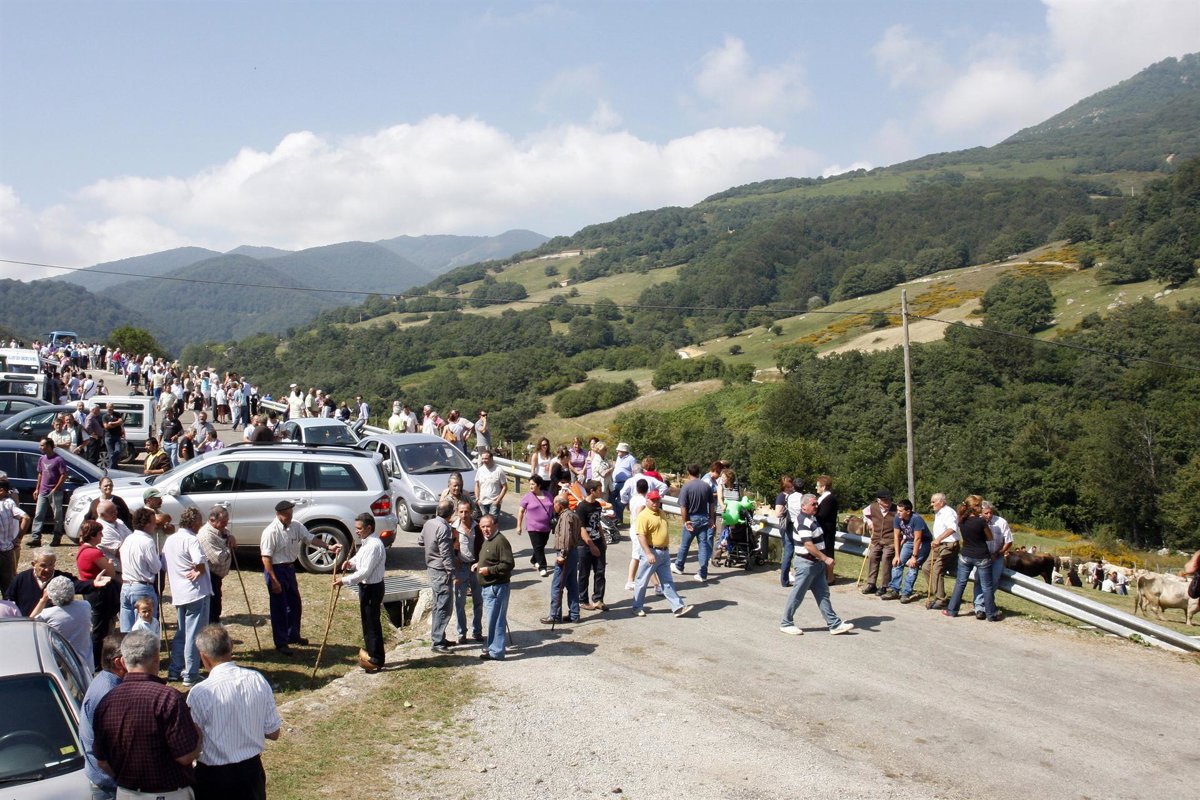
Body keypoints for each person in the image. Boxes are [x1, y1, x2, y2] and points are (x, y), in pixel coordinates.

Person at [93, 630, 201, 799]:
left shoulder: (106, 702)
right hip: (169, 794)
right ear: (156, 658)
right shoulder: (168, 698)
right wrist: (198, 736)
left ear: (123, 661)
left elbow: (101, 761)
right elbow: (185, 756)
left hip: (126, 793)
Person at [187, 625, 282, 800]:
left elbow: (193, 741)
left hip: (213, 777)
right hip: (251, 773)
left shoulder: (200, 693)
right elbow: (273, 732)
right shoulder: (256, 679)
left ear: (204, 657)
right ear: (231, 646)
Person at [260, 500, 337, 655]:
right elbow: (266, 558)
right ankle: (281, 642)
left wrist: (328, 547)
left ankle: (293, 635)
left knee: (294, 603)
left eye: (291, 513)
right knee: (279, 607)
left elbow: (310, 538)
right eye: (286, 515)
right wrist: (274, 581)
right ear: (278, 514)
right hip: (276, 569)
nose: (290, 517)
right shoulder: (271, 532)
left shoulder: (296, 526)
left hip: (289, 569)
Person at [779, 493, 855, 636]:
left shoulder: (811, 518)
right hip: (806, 564)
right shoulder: (802, 521)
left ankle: (834, 624)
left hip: (816, 564)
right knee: (798, 594)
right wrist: (825, 558)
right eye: (813, 504)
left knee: (823, 594)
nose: (816, 506)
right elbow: (808, 545)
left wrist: (822, 560)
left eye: (816, 504)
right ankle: (786, 623)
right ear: (803, 506)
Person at [163, 507, 213, 686]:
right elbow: (199, 560)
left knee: (181, 633)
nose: (201, 524)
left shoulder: (170, 539)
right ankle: (191, 674)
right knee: (194, 635)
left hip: (179, 593)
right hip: (195, 593)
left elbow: (164, 562)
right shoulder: (191, 539)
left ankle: (175, 669)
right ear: (193, 523)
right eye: (199, 521)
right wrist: (199, 570)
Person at [630, 490, 694, 618]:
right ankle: (637, 607)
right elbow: (641, 536)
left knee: (667, 581)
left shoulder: (661, 513)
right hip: (651, 552)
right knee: (642, 581)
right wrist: (648, 553)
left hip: (664, 553)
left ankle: (678, 607)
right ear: (647, 500)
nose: (655, 503)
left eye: (657, 500)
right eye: (653, 500)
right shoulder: (643, 516)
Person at [336, 513, 388, 671]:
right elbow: (359, 559)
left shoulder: (374, 545)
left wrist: (344, 580)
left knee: (372, 623)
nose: (356, 531)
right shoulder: (367, 543)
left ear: (369, 528)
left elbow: (365, 572)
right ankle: (372, 652)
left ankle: (376, 658)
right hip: (366, 588)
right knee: (367, 621)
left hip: (372, 588)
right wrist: (350, 563)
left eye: (359, 528)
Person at [81, 632, 125, 800]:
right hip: (110, 787)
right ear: (119, 662)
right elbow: (108, 753)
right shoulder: (110, 693)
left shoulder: (108, 682)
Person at [944, 495, 1000, 621]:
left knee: (960, 583)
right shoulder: (981, 521)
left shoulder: (961, 520)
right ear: (974, 507)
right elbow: (990, 537)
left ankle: (952, 610)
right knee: (986, 586)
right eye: (979, 505)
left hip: (965, 555)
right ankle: (991, 614)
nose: (981, 507)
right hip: (981, 556)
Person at [5, 547, 105, 616]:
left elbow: (77, 585)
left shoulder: (61, 578)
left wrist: (93, 583)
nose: (47, 569)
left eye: (51, 565)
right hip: (27, 624)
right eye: (43, 565)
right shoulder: (22, 578)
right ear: (33, 564)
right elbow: (9, 600)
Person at [77, 519, 118, 669]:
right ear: (93, 535)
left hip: (91, 592)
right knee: (101, 629)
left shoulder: (82, 550)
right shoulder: (94, 553)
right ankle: (97, 662)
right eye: (100, 533)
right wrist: (110, 564)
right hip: (99, 594)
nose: (102, 536)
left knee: (98, 627)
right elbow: (111, 573)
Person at [474, 513, 514, 661]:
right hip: (489, 587)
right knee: (493, 619)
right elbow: (492, 559)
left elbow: (508, 564)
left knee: (496, 620)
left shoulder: (500, 541)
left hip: (496, 587)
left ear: (496, 525)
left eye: (488, 526)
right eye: (482, 527)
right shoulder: (488, 540)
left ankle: (496, 651)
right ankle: (493, 648)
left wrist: (489, 570)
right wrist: (479, 565)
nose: (485, 529)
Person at [33, 574, 94, 666]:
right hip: (86, 663)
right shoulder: (85, 606)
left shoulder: (48, 614)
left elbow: (29, 622)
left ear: (50, 595)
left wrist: (42, 600)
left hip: (62, 664)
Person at [421, 499, 456, 653]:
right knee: (444, 606)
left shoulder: (429, 523)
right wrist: (451, 572)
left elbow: (421, 540)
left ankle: (439, 636)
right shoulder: (444, 528)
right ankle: (438, 642)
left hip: (431, 568)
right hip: (441, 571)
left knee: (437, 605)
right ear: (451, 513)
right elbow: (446, 553)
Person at [119, 507, 161, 631]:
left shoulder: (128, 539)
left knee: (126, 631)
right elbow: (156, 567)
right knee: (145, 632)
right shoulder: (147, 541)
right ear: (147, 524)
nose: (155, 526)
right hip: (142, 587)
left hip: (126, 587)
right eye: (153, 522)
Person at [542, 496, 582, 624]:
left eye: (554, 504)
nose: (553, 507)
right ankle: (574, 614)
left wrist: (563, 554)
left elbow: (566, 536)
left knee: (557, 586)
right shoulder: (574, 515)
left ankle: (555, 615)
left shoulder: (565, 517)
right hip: (574, 552)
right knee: (572, 585)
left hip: (566, 553)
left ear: (559, 504)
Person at [882, 500, 931, 602]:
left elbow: (918, 539)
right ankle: (894, 590)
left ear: (908, 511)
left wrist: (914, 557)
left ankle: (906, 593)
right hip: (909, 541)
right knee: (897, 562)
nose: (898, 513)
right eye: (897, 510)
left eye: (900, 511)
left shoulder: (916, 519)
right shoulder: (897, 518)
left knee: (913, 565)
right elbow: (896, 536)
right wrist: (897, 555)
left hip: (923, 542)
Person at [673, 463, 715, 582]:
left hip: (692, 518)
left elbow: (683, 507)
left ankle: (679, 565)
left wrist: (685, 521)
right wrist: (711, 518)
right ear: (699, 473)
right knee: (703, 546)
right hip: (704, 518)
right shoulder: (706, 486)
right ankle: (703, 572)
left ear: (688, 473)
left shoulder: (686, 487)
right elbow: (711, 504)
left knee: (685, 544)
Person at [451, 499, 484, 645]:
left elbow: (484, 546)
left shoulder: (478, 527)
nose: (464, 515)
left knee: (478, 601)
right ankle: (462, 633)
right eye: (461, 512)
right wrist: (454, 559)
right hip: (461, 568)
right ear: (457, 513)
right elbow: (447, 548)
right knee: (460, 602)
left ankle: (477, 631)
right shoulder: (452, 528)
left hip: (475, 567)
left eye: (466, 511)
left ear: (471, 512)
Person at [197, 505, 236, 624]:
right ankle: (212, 628)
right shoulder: (206, 535)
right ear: (212, 520)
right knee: (212, 606)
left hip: (217, 577)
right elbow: (218, 559)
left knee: (217, 603)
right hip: (209, 576)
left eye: (226, 521)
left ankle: (215, 623)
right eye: (223, 522)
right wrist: (228, 547)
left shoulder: (220, 530)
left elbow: (227, 533)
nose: (225, 525)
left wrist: (230, 537)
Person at [975, 501, 1014, 617]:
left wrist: (999, 553)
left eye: (990, 512)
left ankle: (986, 604)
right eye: (986, 513)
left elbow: (1009, 541)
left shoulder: (1001, 522)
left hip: (997, 555)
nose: (989, 515)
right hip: (982, 555)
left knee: (994, 579)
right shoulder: (977, 521)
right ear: (981, 513)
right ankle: (980, 607)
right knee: (979, 580)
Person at [575, 479, 608, 612]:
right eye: (599, 490)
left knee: (600, 571)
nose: (601, 492)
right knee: (584, 572)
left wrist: (603, 540)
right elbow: (581, 528)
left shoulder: (598, 505)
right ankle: (582, 600)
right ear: (591, 491)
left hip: (598, 541)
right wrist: (591, 545)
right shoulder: (581, 507)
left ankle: (598, 599)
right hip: (585, 545)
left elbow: (598, 523)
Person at [29, 437, 68, 547]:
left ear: (49, 446)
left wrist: (56, 488)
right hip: (43, 491)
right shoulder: (42, 459)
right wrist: (37, 488)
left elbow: (64, 475)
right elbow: (40, 474)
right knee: (38, 514)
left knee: (57, 516)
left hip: (55, 492)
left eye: (42, 445)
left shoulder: (58, 460)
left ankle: (56, 538)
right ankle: (36, 538)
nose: (40, 447)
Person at [926, 492, 961, 610]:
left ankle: (941, 600)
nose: (931, 504)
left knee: (937, 568)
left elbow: (952, 528)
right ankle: (936, 594)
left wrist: (939, 539)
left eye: (933, 502)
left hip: (949, 545)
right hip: (938, 545)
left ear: (941, 502)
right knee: (926, 567)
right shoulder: (938, 512)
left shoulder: (949, 512)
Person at [861, 489, 897, 596]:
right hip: (876, 539)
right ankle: (871, 584)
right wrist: (870, 523)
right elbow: (864, 513)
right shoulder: (872, 507)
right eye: (885, 500)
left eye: (889, 500)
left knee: (886, 559)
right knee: (872, 557)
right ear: (878, 500)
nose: (887, 502)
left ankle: (884, 586)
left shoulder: (896, 509)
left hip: (890, 540)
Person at [518, 475, 555, 577]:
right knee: (538, 546)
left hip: (546, 526)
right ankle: (542, 567)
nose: (530, 486)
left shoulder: (548, 495)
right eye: (530, 484)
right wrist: (519, 526)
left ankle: (534, 559)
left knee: (541, 545)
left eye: (533, 484)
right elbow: (521, 511)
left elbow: (553, 508)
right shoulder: (527, 496)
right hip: (532, 526)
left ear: (539, 485)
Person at [0, 477, 31, 593]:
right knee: (7, 587)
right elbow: (26, 518)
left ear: (1, 490)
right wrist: (18, 538)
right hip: (7, 551)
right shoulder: (9, 504)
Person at [814, 475, 839, 583]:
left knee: (828, 553)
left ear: (823, 487)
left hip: (827, 531)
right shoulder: (823, 498)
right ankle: (824, 575)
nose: (816, 488)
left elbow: (822, 515)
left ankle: (830, 577)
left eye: (818, 486)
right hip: (823, 530)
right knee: (823, 552)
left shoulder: (829, 499)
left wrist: (812, 514)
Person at [775, 476, 796, 587]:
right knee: (789, 551)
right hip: (787, 526)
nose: (790, 488)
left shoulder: (792, 496)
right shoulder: (782, 497)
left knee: (790, 551)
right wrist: (787, 509)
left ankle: (787, 576)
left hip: (792, 525)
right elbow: (778, 513)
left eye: (791, 485)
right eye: (788, 486)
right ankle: (785, 578)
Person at [473, 449, 508, 519]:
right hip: (482, 502)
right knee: (485, 521)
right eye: (482, 459)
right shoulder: (480, 470)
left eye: (486, 458)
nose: (484, 460)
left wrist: (498, 500)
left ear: (491, 458)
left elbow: (505, 487)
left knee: (492, 521)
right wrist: (477, 499)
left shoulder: (498, 470)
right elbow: (477, 484)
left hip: (493, 502)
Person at [610, 442, 637, 526]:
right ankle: (616, 518)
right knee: (610, 498)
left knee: (620, 502)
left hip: (624, 483)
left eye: (619, 450)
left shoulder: (631, 459)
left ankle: (618, 520)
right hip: (615, 483)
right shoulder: (619, 457)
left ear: (624, 451)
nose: (617, 451)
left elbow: (634, 471)